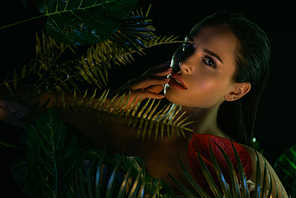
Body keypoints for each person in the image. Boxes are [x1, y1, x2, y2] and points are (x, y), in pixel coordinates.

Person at [0, 11, 289, 197]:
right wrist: (110, 105)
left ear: (236, 92)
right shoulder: (117, 123)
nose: (185, 63)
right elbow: (10, 107)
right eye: (188, 47)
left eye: (209, 61)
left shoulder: (245, 166)